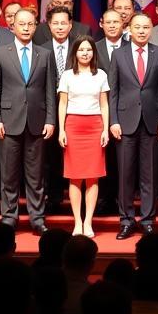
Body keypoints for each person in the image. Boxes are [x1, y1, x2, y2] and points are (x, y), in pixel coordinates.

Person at [0, 8, 57, 234]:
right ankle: (9, 217)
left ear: (36, 26)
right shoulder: (0, 53)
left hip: (37, 122)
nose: (26, 28)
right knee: (9, 175)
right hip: (8, 123)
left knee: (36, 175)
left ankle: (37, 218)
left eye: (30, 24)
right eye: (22, 24)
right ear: (12, 27)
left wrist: (50, 120)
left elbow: (49, 90)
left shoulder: (44, 54)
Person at [108, 12, 158, 239]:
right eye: (137, 27)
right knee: (125, 174)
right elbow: (113, 91)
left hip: (152, 121)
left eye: (146, 27)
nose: (142, 31)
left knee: (149, 174)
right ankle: (126, 220)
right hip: (124, 123)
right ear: (129, 29)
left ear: (150, 30)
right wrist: (113, 120)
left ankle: (148, 220)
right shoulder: (118, 54)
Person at [58, 37, 109, 236]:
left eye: (89, 49)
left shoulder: (101, 75)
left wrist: (105, 129)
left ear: (93, 53)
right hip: (73, 127)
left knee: (93, 177)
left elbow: (104, 104)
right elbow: (62, 104)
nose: (85, 53)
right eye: (81, 50)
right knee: (75, 177)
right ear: (75, 53)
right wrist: (62, 130)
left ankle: (88, 222)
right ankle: (77, 222)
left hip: (95, 127)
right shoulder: (68, 75)